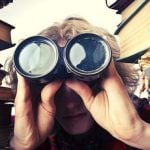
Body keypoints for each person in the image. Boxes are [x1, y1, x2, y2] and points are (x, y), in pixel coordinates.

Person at [5, 17, 150, 150]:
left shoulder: (144, 115)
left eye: (84, 81)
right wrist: (21, 145)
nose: (71, 104)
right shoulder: (15, 127)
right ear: (33, 91)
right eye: (58, 92)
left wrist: (139, 134)